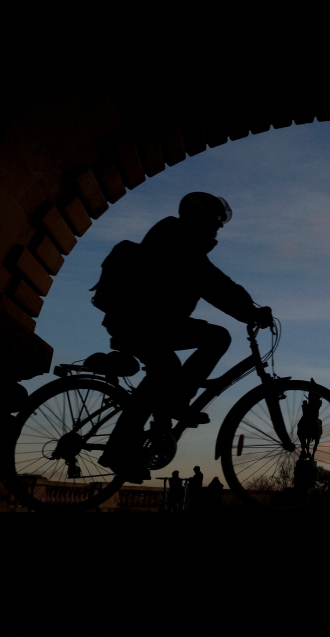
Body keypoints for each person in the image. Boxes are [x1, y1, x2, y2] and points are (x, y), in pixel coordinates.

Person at [97, 192, 273, 481]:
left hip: (148, 322)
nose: (219, 226)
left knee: (170, 369)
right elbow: (213, 283)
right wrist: (249, 311)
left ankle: (168, 409)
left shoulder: (178, 238)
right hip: (140, 322)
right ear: (199, 217)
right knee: (207, 344)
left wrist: (247, 308)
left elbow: (212, 281)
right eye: (216, 219)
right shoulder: (179, 241)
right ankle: (123, 446)